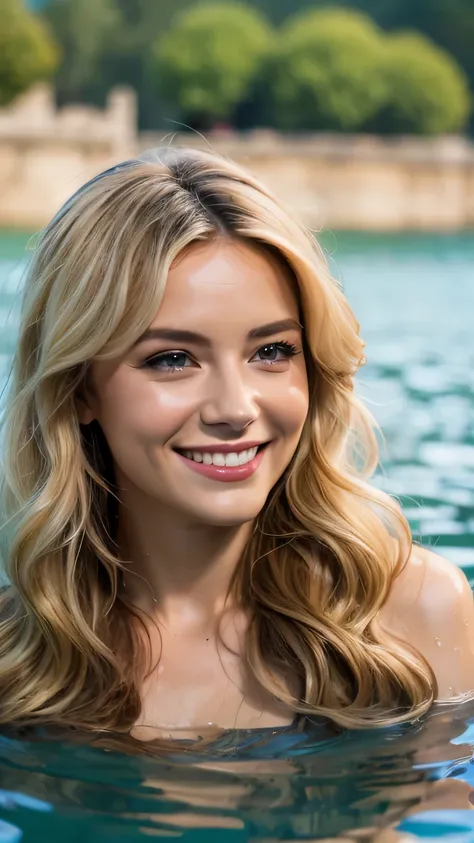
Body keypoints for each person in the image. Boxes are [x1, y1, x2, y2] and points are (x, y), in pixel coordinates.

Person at [0, 146, 473, 749]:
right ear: (79, 388)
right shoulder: (16, 663)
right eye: (172, 359)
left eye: (271, 351)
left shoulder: (415, 614)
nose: (235, 408)